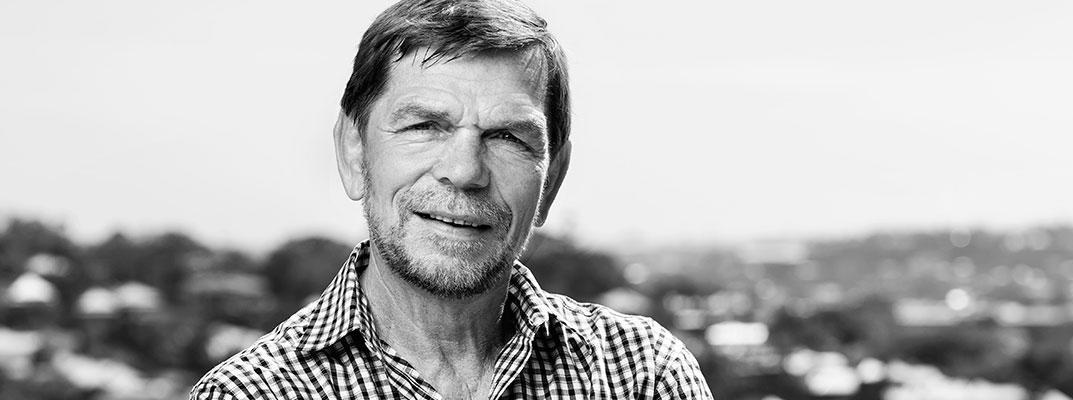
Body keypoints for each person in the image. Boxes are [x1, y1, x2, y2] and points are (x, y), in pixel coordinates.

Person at [190, 0, 713, 398]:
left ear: (552, 177)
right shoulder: (251, 392)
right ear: (353, 152)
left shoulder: (643, 375)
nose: (464, 172)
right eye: (424, 125)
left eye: (507, 137)